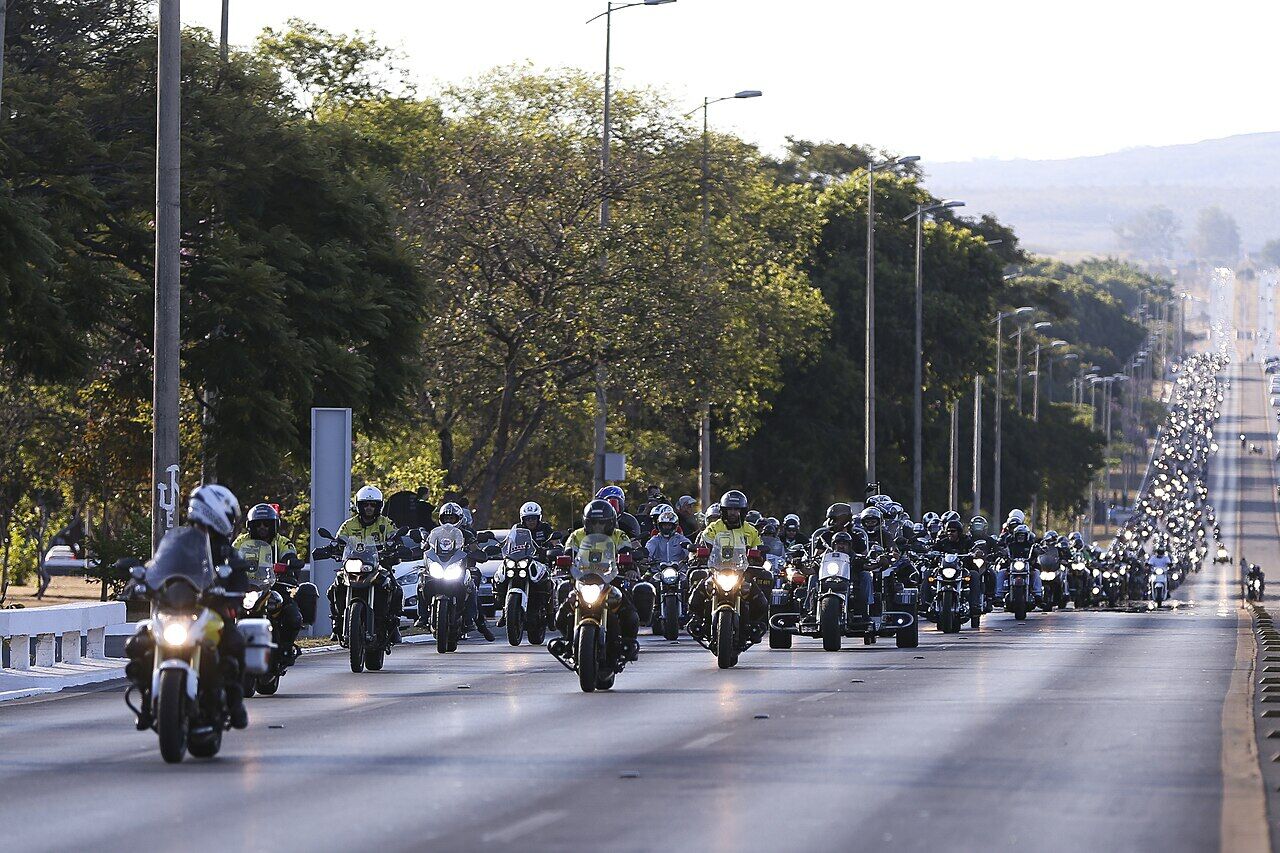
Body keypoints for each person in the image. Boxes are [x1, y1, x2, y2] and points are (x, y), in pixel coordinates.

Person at [124, 485, 250, 731]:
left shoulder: (226, 551)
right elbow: (157, 565)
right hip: (173, 610)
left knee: (235, 642)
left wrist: (235, 594)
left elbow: (239, 574)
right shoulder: (178, 541)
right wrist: (138, 581)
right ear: (218, 511)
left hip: (208, 612)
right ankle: (147, 701)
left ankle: (235, 703)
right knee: (138, 644)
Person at [550, 500, 641, 662]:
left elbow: (627, 553)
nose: (598, 526)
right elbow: (569, 553)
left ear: (611, 522)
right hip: (582, 580)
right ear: (586, 522)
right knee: (561, 614)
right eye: (594, 522)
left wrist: (631, 567)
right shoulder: (576, 535)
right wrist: (562, 565)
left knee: (630, 614)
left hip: (611, 580)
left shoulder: (619, 535)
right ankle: (568, 641)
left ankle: (629, 645)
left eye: (602, 523)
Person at [323, 486, 405, 645]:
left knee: (396, 590)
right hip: (352, 566)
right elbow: (339, 540)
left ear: (378, 506)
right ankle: (337, 623)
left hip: (378, 565)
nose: (368, 508)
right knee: (334, 588)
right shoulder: (349, 525)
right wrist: (331, 547)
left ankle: (393, 625)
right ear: (359, 506)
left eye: (372, 504)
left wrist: (397, 546)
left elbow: (395, 537)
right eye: (365, 504)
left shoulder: (385, 523)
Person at [687, 490, 770, 642]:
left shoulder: (750, 530)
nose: (733, 513)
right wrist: (700, 552)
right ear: (723, 511)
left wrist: (758, 556)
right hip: (716, 571)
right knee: (696, 596)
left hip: (741, 573)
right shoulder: (713, 527)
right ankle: (698, 622)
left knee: (761, 601)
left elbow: (759, 548)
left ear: (742, 511)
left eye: (736, 509)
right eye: (730, 509)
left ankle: (753, 626)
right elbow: (704, 543)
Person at [233, 503, 305, 669]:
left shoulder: (282, 542)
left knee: (293, 615)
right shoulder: (241, 541)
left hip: (273, 586)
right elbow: (232, 555)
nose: (263, 527)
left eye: (266, 524)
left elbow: (290, 554)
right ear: (251, 526)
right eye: (258, 524)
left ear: (274, 525)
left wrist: (290, 562)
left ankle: (286, 648)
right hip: (247, 588)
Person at [496, 501, 555, 628]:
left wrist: (551, 548)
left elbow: (554, 541)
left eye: (533, 518)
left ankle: (550, 614)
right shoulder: (517, 528)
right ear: (523, 519)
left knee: (550, 583)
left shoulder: (545, 528)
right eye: (528, 519)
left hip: (540, 562)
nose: (531, 521)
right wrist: (498, 546)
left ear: (539, 518)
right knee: (500, 577)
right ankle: (504, 610)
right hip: (520, 562)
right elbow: (508, 542)